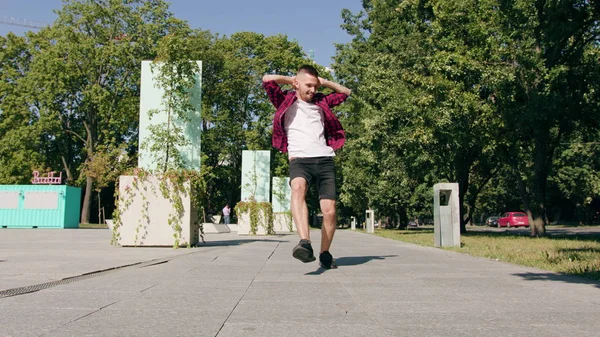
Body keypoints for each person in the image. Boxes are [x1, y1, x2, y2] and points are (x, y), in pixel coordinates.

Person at [262, 65, 352, 269]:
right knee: (297, 188)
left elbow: (346, 92)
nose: (312, 89)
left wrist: (324, 82)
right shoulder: (284, 100)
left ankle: (325, 253)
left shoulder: (322, 100)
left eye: (315, 85)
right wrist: (290, 78)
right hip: (300, 159)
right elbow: (267, 80)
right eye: (308, 85)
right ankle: (305, 242)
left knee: (329, 211)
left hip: (324, 158)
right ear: (297, 83)